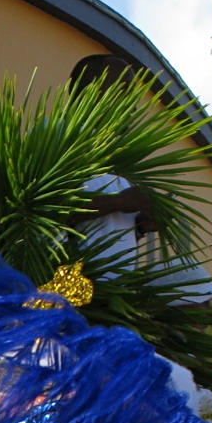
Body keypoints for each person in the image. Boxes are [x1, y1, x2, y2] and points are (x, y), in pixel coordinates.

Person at [68, 55, 157, 275]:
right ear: (91, 92)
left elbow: (102, 227)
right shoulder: (59, 138)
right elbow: (39, 210)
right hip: (70, 289)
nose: (132, 106)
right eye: (124, 92)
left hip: (113, 292)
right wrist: (119, 201)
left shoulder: (117, 156)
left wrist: (140, 226)